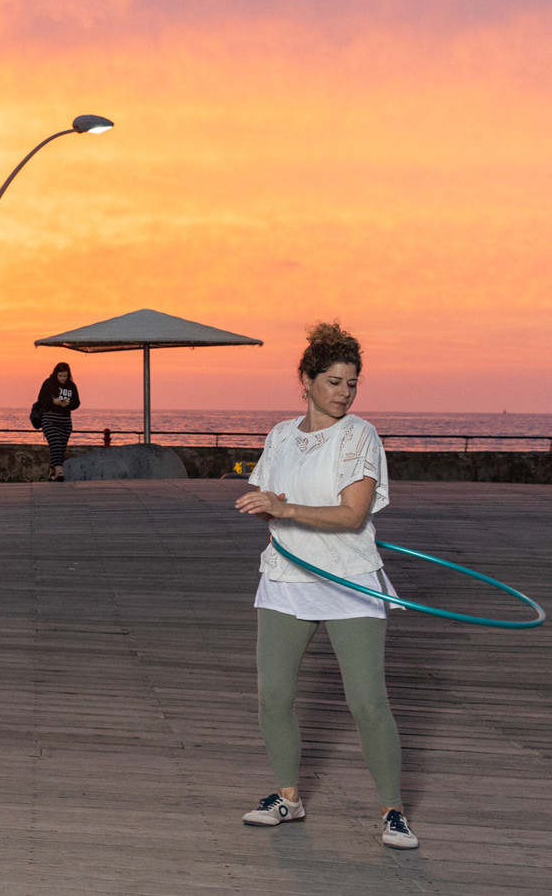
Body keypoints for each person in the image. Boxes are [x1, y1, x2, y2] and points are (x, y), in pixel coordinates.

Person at [234, 322, 415, 849]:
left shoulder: (360, 435)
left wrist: (284, 507)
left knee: (367, 702)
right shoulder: (280, 435)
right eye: (334, 381)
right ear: (307, 381)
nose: (344, 392)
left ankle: (392, 811)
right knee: (273, 696)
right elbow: (269, 497)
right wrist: (265, 507)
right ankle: (287, 798)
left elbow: (353, 515)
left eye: (352, 383)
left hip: (348, 580)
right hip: (286, 577)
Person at [35, 361, 80, 481]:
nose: (62, 379)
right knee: (55, 443)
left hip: (65, 421)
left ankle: (52, 472)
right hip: (50, 419)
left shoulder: (71, 386)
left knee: (60, 447)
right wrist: (53, 402)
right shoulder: (48, 383)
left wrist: (69, 404)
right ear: (56, 374)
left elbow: (77, 403)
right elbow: (41, 400)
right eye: (60, 376)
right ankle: (60, 471)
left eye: (65, 376)